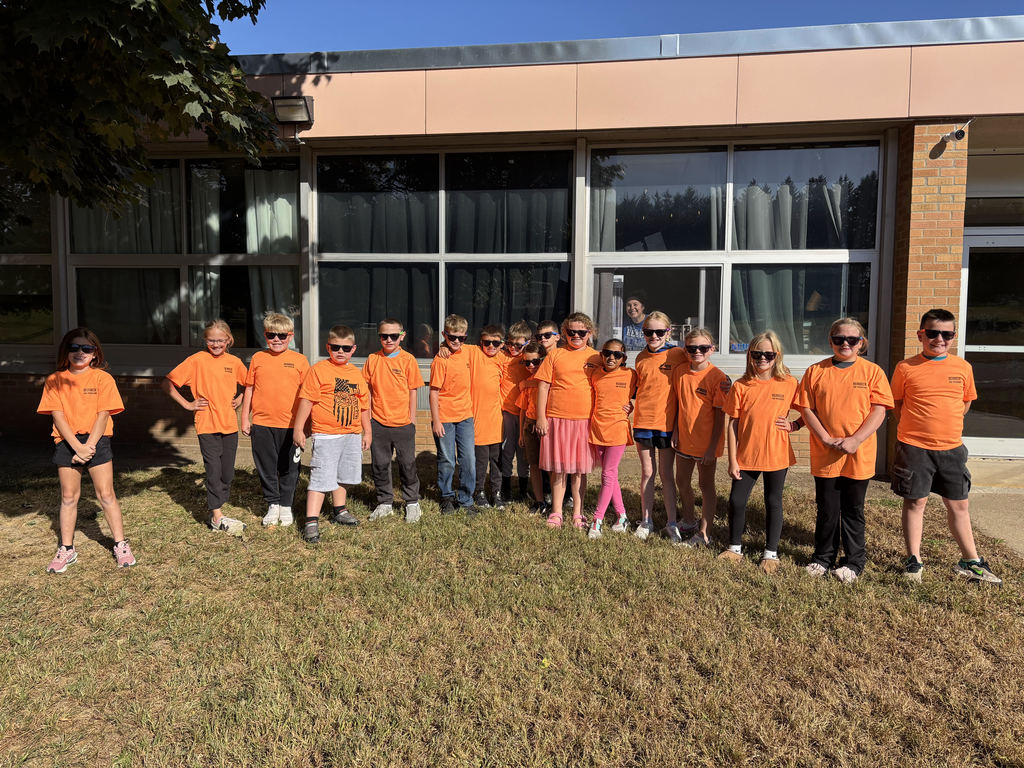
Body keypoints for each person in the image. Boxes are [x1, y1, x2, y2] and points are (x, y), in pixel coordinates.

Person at [890, 308, 1001, 585]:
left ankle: (970, 561)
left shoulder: (963, 368)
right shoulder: (906, 367)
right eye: (932, 333)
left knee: (959, 505)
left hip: (952, 449)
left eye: (946, 334)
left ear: (953, 337)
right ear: (921, 334)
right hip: (915, 447)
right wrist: (918, 428)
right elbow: (897, 404)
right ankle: (913, 559)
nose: (939, 338)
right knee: (916, 502)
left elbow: (965, 402)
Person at [795, 318, 893, 584]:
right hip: (826, 453)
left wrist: (856, 440)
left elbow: (879, 410)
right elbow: (806, 408)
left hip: (857, 454)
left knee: (852, 509)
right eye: (839, 339)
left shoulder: (872, 372)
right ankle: (822, 558)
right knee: (827, 508)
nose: (845, 344)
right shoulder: (816, 371)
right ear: (831, 341)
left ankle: (853, 561)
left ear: (862, 343)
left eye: (852, 340)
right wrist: (825, 437)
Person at [37, 328, 135, 572]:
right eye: (74, 348)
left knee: (106, 495)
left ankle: (121, 545)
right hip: (67, 441)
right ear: (66, 352)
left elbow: (104, 415)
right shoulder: (54, 381)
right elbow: (58, 417)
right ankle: (67, 549)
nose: (80, 353)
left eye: (86, 348)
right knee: (69, 497)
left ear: (95, 354)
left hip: (97, 440)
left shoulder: (103, 379)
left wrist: (89, 445)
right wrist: (76, 446)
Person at [719, 330, 799, 574]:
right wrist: (733, 459)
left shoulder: (789, 383)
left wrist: (794, 425)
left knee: (773, 501)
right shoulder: (742, 386)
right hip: (746, 456)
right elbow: (733, 424)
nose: (762, 359)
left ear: (777, 356)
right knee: (737, 501)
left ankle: (771, 553)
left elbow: (808, 410)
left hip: (777, 455)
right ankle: (734, 548)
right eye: (757, 354)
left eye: (768, 354)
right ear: (750, 355)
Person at [164, 319, 247, 535]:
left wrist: (239, 399)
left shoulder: (235, 362)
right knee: (213, 470)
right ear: (205, 340)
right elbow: (167, 383)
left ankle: (218, 504)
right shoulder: (197, 360)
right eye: (211, 340)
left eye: (220, 340)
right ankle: (216, 515)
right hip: (206, 424)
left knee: (227, 473)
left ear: (228, 340)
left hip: (229, 424)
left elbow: (249, 385)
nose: (216, 344)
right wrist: (188, 404)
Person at [292, 325, 371, 543]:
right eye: (335, 347)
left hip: (352, 434)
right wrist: (299, 428)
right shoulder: (318, 370)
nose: (340, 352)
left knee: (343, 475)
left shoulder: (356, 374)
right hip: (326, 435)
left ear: (353, 349)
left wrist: (367, 432)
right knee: (321, 477)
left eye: (346, 348)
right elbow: (306, 400)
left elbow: (364, 406)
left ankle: (340, 510)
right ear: (328, 347)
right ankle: (311, 521)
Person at [240, 312, 309, 528]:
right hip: (262, 423)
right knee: (266, 466)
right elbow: (249, 389)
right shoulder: (258, 359)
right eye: (271, 335)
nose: (276, 340)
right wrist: (244, 417)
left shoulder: (300, 360)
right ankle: (273, 503)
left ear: (290, 336)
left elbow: (308, 395)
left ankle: (286, 505)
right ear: (265, 335)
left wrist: (306, 425)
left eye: (281, 335)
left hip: (290, 425)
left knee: (289, 467)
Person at [535, 312, 599, 529]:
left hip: (584, 420)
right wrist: (541, 417)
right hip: (557, 419)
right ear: (564, 333)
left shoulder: (596, 357)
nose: (576, 336)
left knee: (579, 470)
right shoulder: (555, 355)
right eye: (572, 332)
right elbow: (543, 386)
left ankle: (578, 513)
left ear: (589, 333)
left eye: (581, 332)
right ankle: (557, 511)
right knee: (559, 468)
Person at [672, 328, 730, 548]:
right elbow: (679, 404)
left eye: (703, 348)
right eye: (692, 348)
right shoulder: (680, 372)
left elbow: (719, 417)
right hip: (684, 440)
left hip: (706, 444)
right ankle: (688, 520)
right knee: (682, 482)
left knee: (706, 486)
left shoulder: (718, 378)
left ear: (712, 349)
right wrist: (676, 430)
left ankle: (705, 533)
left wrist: (711, 448)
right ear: (685, 350)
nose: (697, 352)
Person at [632, 311, 687, 542]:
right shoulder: (640, 358)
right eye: (648, 332)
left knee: (666, 474)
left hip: (666, 425)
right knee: (647, 472)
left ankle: (672, 522)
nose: (653, 336)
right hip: (643, 422)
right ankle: (647, 520)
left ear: (668, 332)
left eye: (658, 331)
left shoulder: (678, 354)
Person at [363, 318, 424, 524]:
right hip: (378, 422)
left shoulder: (408, 360)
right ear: (379, 336)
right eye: (384, 336)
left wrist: (412, 420)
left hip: (403, 424)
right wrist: (369, 419)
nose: (389, 339)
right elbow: (368, 391)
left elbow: (412, 391)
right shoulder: (373, 359)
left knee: (407, 464)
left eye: (393, 336)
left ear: (402, 336)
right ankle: (385, 502)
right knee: (380, 465)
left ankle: (412, 503)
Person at [587, 338, 636, 539]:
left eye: (617, 355)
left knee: (607, 474)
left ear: (623, 358)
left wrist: (632, 406)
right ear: (601, 354)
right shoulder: (595, 375)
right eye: (608, 353)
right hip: (597, 429)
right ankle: (622, 516)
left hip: (617, 429)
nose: (611, 357)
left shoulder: (631, 375)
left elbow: (645, 395)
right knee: (611, 475)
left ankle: (597, 521)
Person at [430, 314, 476, 515]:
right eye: (451, 337)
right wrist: (436, 421)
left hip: (465, 416)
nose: (456, 341)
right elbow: (434, 391)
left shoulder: (469, 353)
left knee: (468, 460)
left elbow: (492, 348)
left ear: (466, 337)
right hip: (445, 418)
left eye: (461, 338)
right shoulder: (440, 360)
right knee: (447, 459)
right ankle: (447, 496)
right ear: (444, 335)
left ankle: (466, 499)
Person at [469, 325, 506, 508]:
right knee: (480, 462)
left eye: (495, 343)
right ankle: (479, 491)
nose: (491, 346)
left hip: (497, 422)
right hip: (478, 422)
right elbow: (455, 345)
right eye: (487, 342)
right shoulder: (474, 353)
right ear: (480, 342)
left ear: (502, 344)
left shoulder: (504, 359)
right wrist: (444, 346)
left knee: (496, 461)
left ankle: (496, 493)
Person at [499, 320, 533, 502]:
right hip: (506, 412)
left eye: (518, 345)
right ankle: (505, 489)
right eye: (510, 343)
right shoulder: (502, 356)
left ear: (527, 343)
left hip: (525, 413)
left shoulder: (529, 359)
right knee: (507, 450)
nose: (513, 348)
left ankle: (522, 490)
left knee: (523, 453)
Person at [516, 342, 547, 513]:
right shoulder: (526, 382)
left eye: (535, 361)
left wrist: (530, 385)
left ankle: (552, 496)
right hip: (530, 424)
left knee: (550, 464)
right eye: (527, 363)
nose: (531, 366)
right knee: (534, 464)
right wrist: (521, 433)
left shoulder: (549, 378)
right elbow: (522, 408)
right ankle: (539, 500)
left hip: (547, 425)